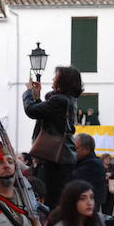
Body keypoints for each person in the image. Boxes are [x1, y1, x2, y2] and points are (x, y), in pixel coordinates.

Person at [23, 65, 82, 207]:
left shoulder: (59, 101)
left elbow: (31, 111)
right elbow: (45, 113)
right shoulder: (67, 99)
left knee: (52, 199)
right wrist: (37, 97)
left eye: (56, 76)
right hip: (62, 158)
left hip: (57, 158)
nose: (53, 78)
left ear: (63, 81)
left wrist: (28, 93)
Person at [71, 133, 106, 210]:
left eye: (75, 148)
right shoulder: (83, 161)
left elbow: (73, 181)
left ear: (86, 149)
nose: (72, 152)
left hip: (87, 208)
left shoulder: (93, 164)